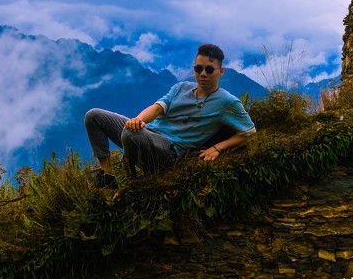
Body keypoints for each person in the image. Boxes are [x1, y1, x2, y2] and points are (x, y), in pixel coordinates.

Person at [84, 43, 256, 188]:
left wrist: (218, 148)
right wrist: (138, 120)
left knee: (130, 134)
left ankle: (129, 180)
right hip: (149, 132)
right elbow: (157, 108)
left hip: (169, 149)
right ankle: (108, 176)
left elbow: (249, 131)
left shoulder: (227, 102)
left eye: (209, 69)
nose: (203, 73)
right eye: (199, 68)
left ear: (221, 72)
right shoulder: (181, 88)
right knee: (94, 116)